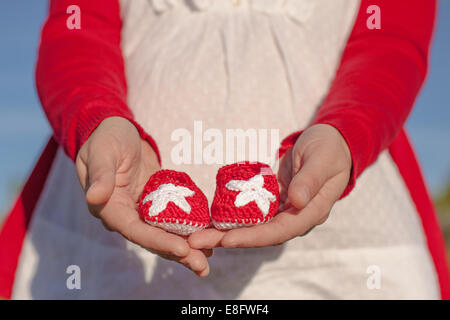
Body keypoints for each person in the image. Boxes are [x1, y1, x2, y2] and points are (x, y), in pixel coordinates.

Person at [0, 0, 448, 299]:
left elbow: (391, 38)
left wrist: (350, 131)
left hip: (341, 235)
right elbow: (77, 29)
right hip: (113, 230)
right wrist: (96, 118)